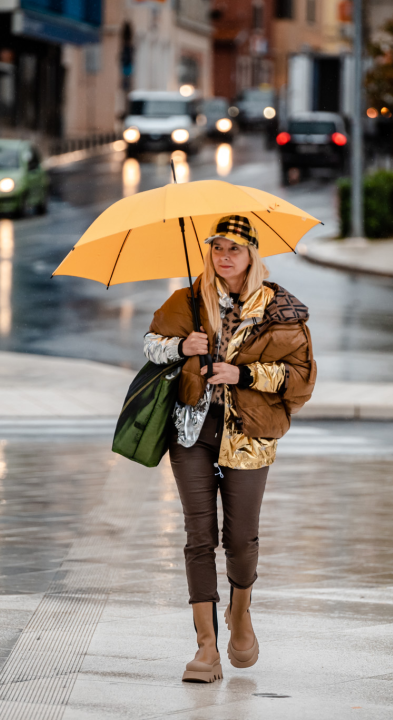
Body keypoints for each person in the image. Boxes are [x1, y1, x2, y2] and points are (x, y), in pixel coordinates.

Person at [143, 214, 317, 683]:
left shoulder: (280, 309)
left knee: (240, 539)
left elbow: (302, 381)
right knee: (199, 536)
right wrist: (182, 347)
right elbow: (150, 346)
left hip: (249, 433)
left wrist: (244, 374)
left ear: (252, 255)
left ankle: (240, 615)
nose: (223, 258)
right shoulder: (189, 299)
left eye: (233, 249)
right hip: (192, 431)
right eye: (217, 248)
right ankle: (205, 648)